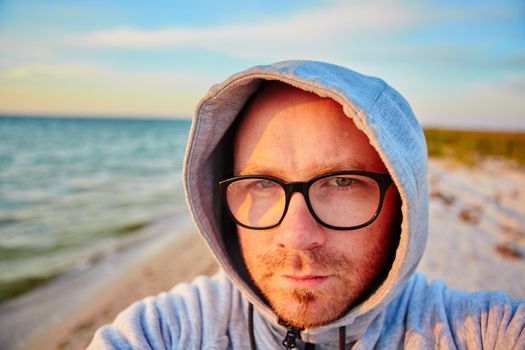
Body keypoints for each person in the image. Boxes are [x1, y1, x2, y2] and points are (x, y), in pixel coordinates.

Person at [89, 60, 525, 349]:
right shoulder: (167, 332)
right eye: (261, 184)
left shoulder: (477, 331)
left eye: (342, 181)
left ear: (404, 202)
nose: (297, 236)